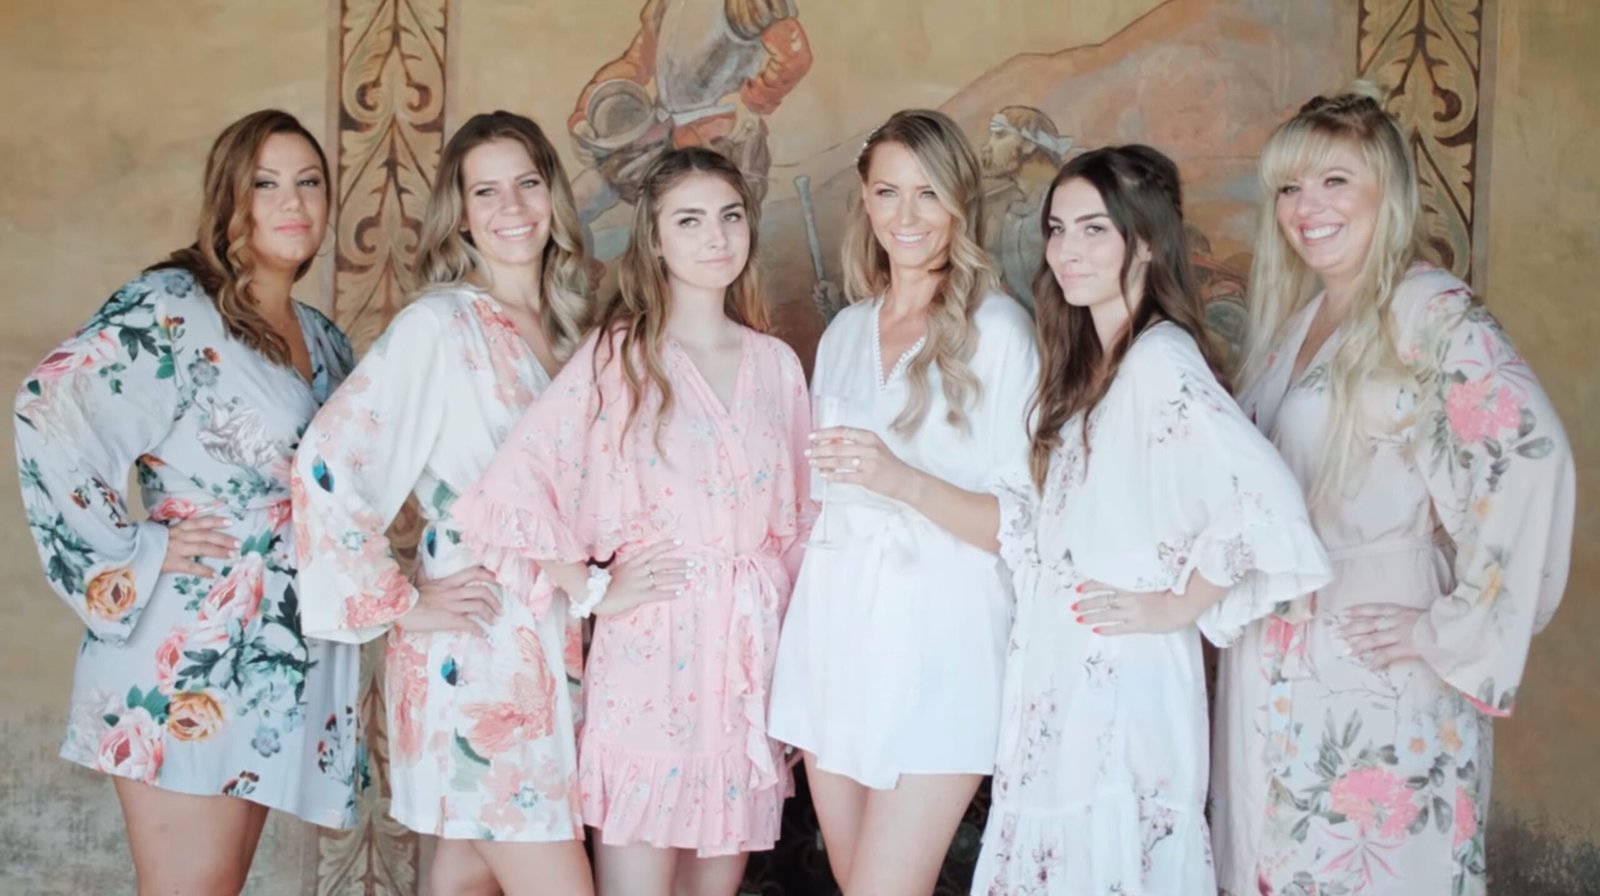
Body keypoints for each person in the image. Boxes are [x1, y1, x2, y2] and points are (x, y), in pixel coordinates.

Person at [1212, 84, 1575, 896]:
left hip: (1374, 653)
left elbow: (1531, 455)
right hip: (1278, 658)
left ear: (1390, 191)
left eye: (1335, 180)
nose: (1307, 207)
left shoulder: (1428, 310)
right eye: (1290, 187)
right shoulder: (1297, 323)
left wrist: (1452, 624)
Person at [13, 110, 360, 894]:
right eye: (266, 183)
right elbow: (48, 405)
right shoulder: (173, 305)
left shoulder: (325, 339)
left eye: (309, 181)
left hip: (276, 655)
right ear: (229, 197)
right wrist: (136, 548)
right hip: (189, 642)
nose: (293, 201)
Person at [970, 143, 1330, 895]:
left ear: (1144, 243)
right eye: (1057, 229)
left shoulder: (1159, 360)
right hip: (1066, 678)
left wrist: (1176, 605)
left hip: (1123, 686)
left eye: (1093, 229)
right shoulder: (1091, 367)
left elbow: (1263, 499)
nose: (1067, 250)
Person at [454, 147, 812, 896]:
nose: (716, 237)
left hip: (746, 662)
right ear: (654, 238)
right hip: (651, 654)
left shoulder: (778, 365)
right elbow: (514, 485)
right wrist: (592, 590)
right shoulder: (620, 355)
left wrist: (798, 677)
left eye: (730, 216)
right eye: (690, 221)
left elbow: (803, 532)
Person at [292, 111, 597, 896]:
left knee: (465, 877)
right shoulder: (439, 325)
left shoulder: (574, 331)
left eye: (527, 183)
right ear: (459, 214)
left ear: (554, 196)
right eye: (485, 191)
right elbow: (330, 460)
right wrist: (398, 601)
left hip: (559, 631)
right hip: (482, 638)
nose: (511, 207)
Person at [767, 108, 1039, 896]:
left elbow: (1023, 526)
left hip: (941, 648)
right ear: (865, 200)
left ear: (960, 201)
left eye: (928, 193)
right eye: (888, 192)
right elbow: (817, 506)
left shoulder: (999, 331)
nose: (907, 216)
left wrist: (901, 480)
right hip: (834, 639)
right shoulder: (845, 333)